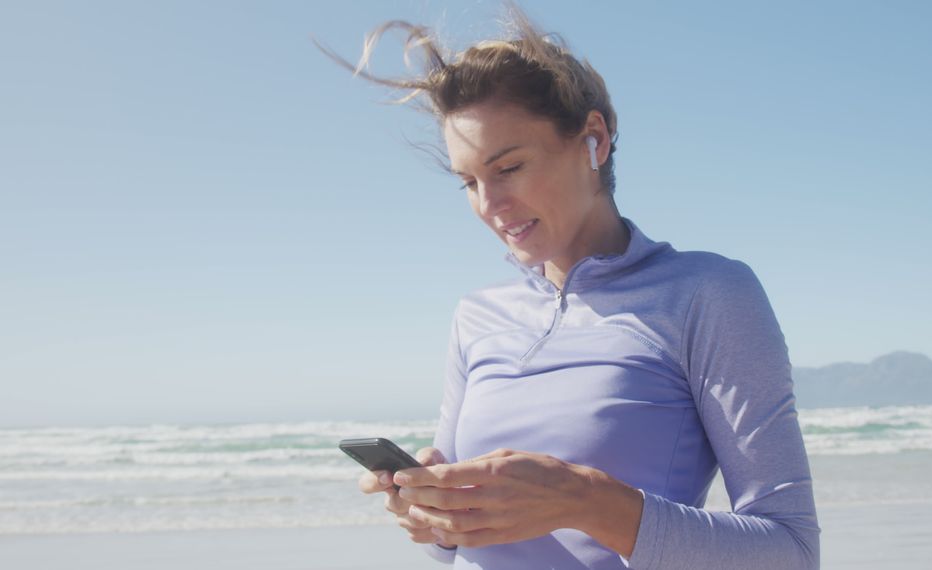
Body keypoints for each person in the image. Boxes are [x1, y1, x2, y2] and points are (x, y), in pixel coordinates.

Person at [319, 4, 820, 568]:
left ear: (594, 140)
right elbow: (454, 544)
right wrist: (432, 515)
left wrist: (585, 501)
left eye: (508, 168)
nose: (490, 206)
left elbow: (790, 551)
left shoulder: (706, 294)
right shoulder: (477, 314)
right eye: (469, 181)